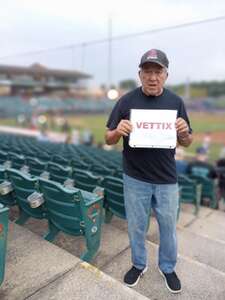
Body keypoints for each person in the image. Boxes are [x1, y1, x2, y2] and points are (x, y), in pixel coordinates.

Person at [105, 49, 193, 294]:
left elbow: (187, 141)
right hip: (134, 177)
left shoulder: (176, 102)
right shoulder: (126, 101)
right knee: (136, 226)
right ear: (140, 74)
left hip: (166, 179)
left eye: (158, 72)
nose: (152, 77)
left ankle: (167, 267)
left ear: (166, 75)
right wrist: (116, 131)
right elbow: (108, 137)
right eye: (148, 71)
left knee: (168, 228)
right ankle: (139, 264)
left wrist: (184, 132)